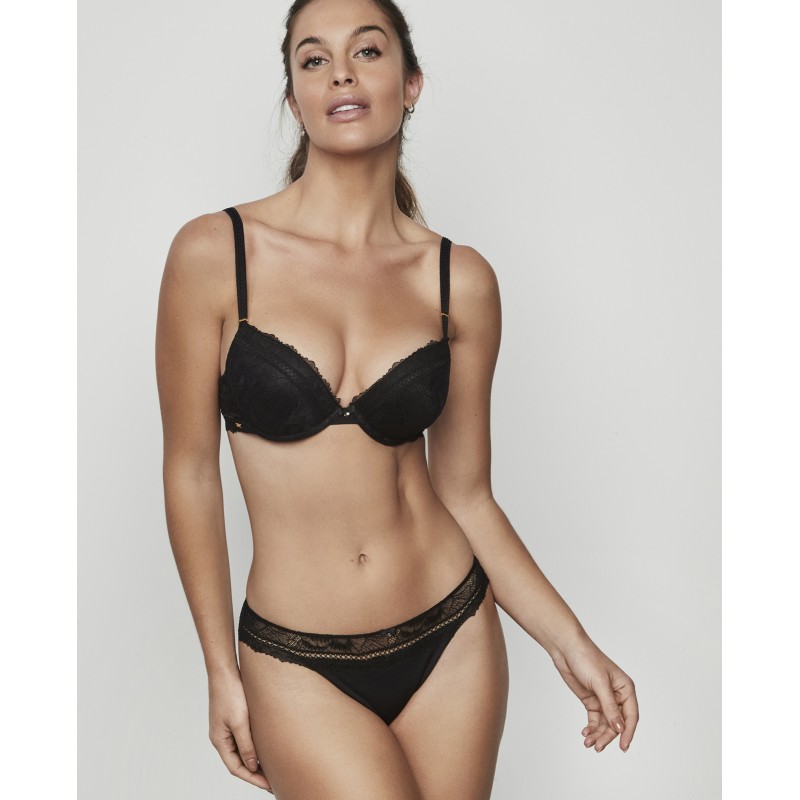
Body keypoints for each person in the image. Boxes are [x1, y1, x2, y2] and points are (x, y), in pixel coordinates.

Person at [155, 0, 640, 796]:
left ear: (410, 84)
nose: (341, 74)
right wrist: (218, 666)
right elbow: (190, 473)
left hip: (452, 636)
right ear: (295, 98)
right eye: (314, 60)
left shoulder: (459, 281)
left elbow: (467, 494)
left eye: (368, 51)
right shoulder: (215, 255)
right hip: (296, 659)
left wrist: (571, 644)